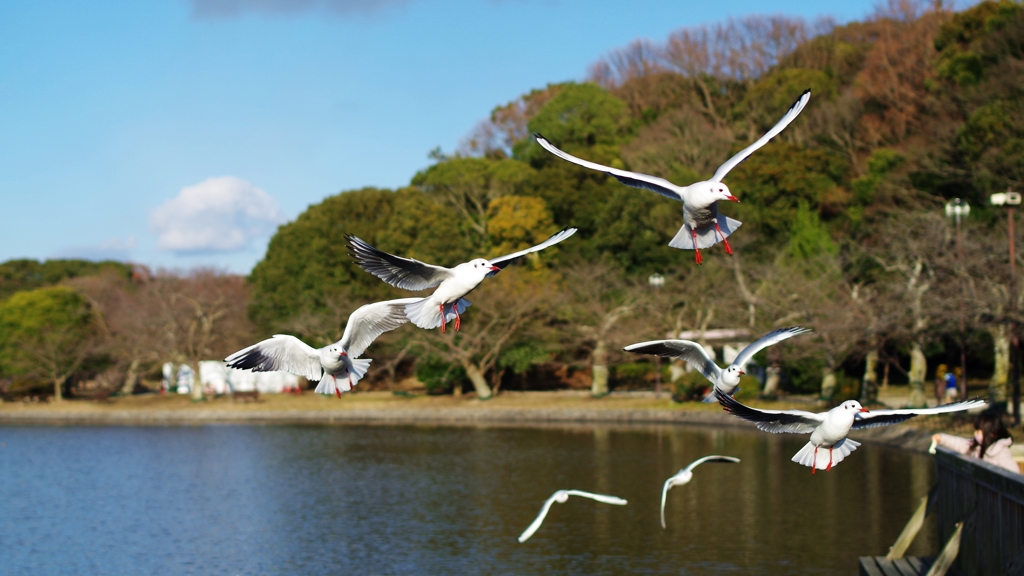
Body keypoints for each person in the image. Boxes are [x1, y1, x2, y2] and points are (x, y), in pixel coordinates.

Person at [932, 412, 1019, 474]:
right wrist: (942, 438)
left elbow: (1014, 475)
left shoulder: (1001, 452)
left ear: (991, 433)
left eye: (979, 431)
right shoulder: (977, 446)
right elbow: (961, 444)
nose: (975, 434)